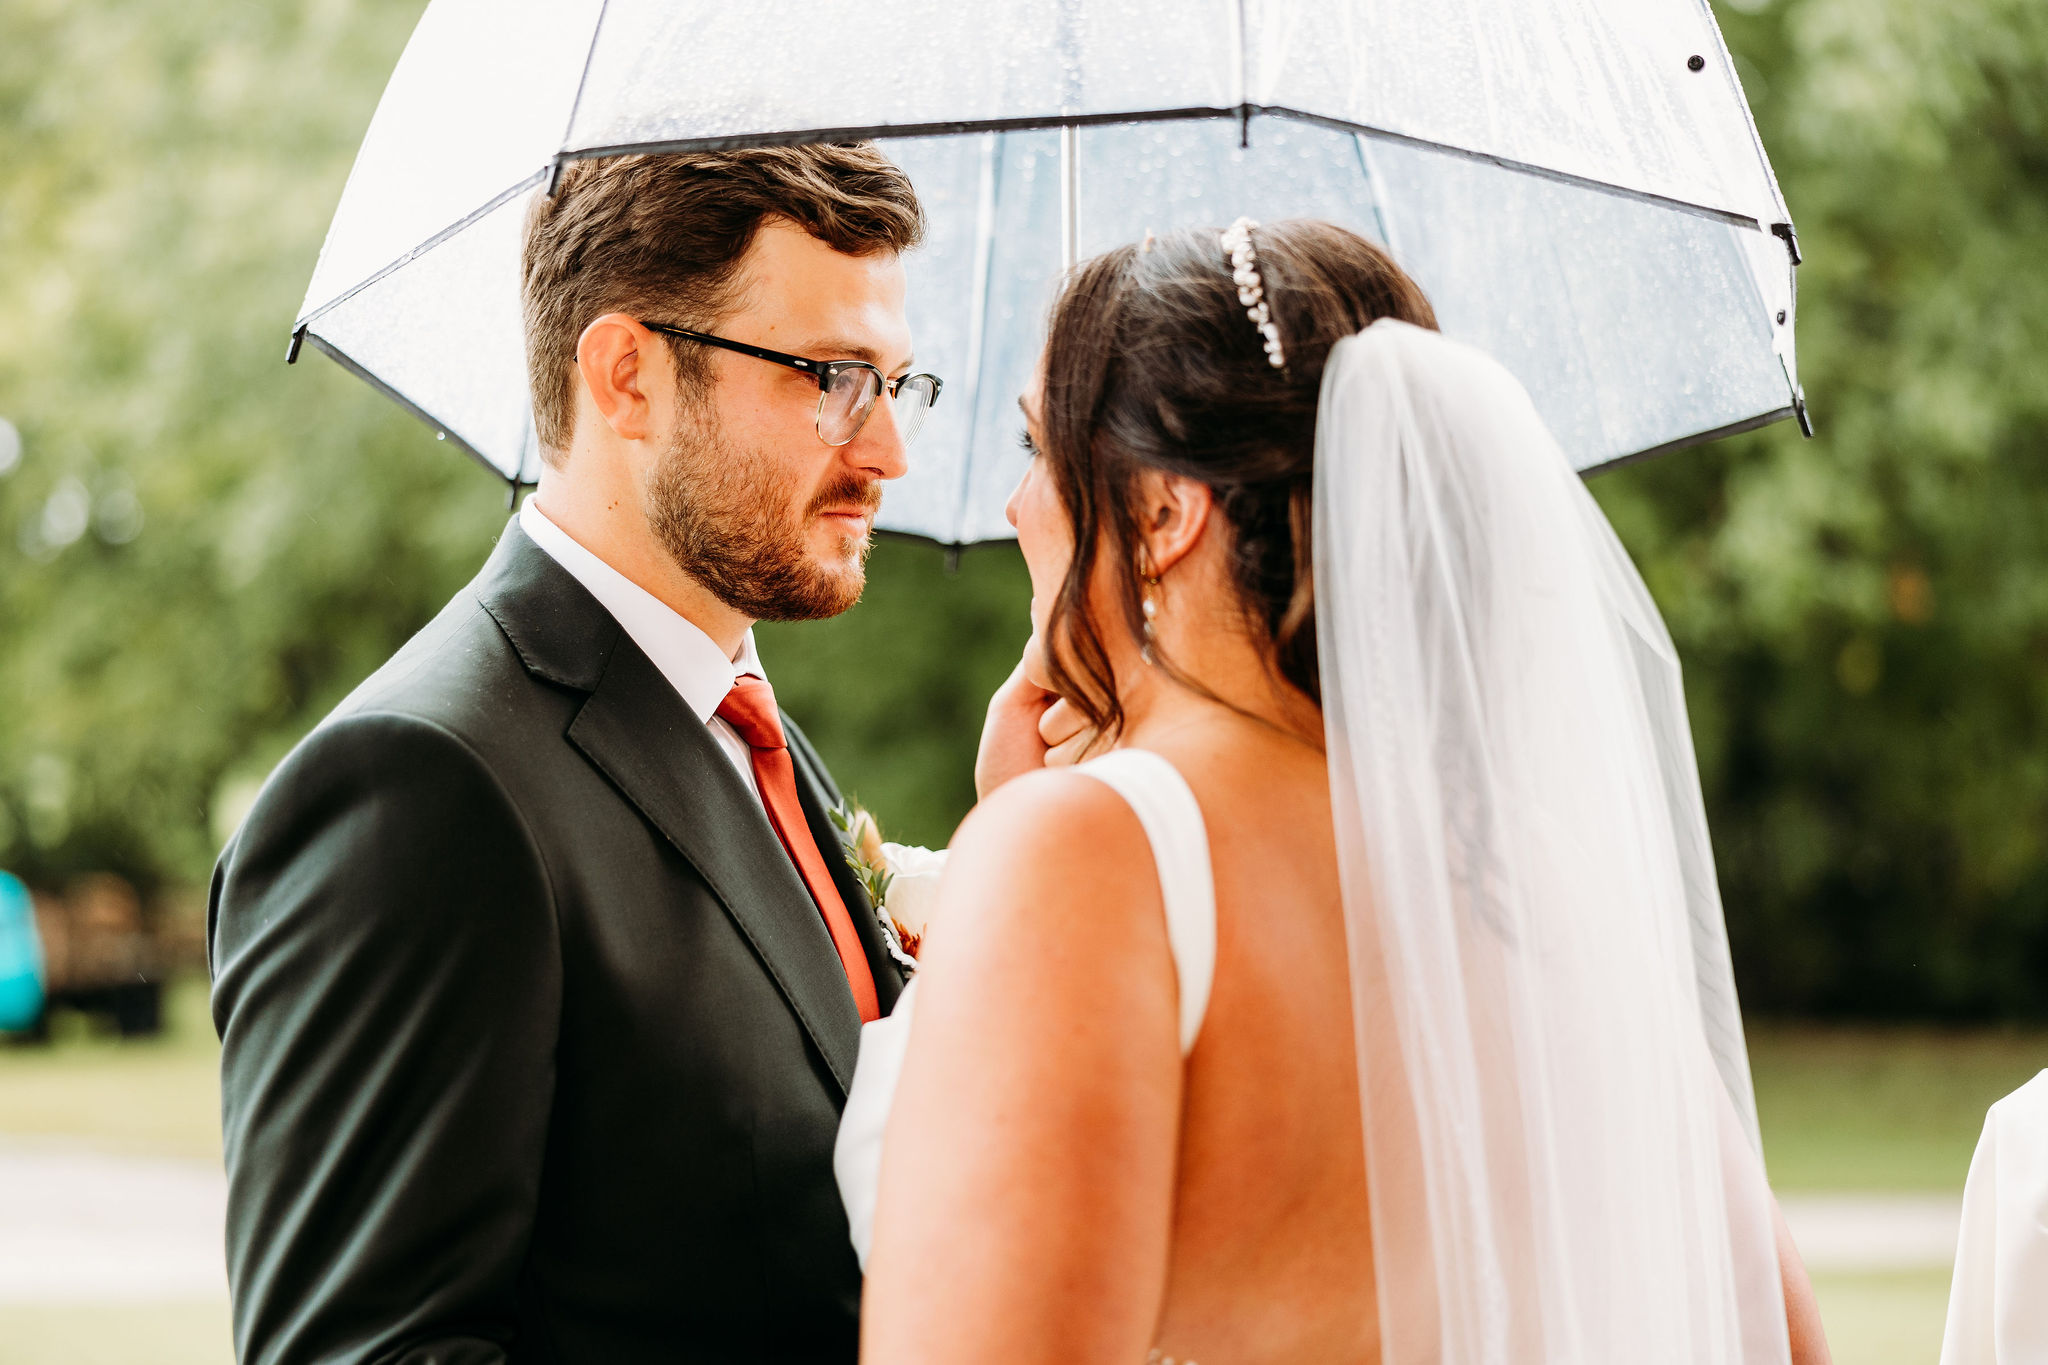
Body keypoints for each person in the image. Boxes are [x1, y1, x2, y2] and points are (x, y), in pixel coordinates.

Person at [836, 220, 1834, 1364]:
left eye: (1036, 450)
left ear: (1163, 513)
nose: (1018, 509)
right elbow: (1780, 1337)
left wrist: (1027, 845)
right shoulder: (1538, 874)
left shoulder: (1092, 858)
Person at [210, 145, 941, 1363]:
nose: (884, 456)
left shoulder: (749, 736)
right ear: (627, 377)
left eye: (895, 387)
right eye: (830, 378)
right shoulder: (421, 786)